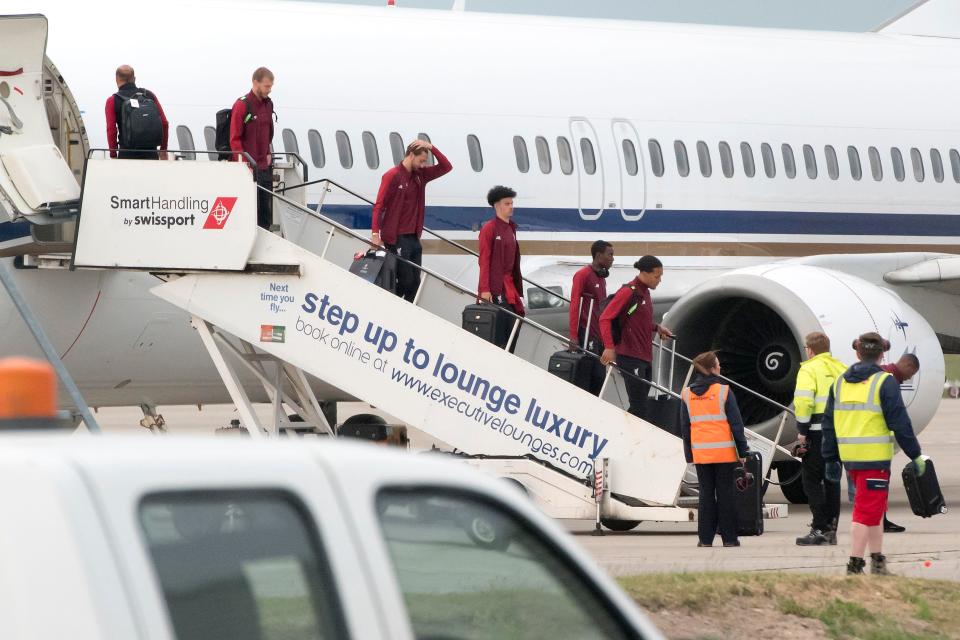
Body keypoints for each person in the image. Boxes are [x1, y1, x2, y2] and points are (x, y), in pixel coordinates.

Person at [822, 332, 925, 575]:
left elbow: (829, 424)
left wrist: (830, 458)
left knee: (875, 511)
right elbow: (900, 423)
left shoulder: (839, 383)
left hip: (850, 460)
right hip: (873, 460)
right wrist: (915, 454)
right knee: (864, 514)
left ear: (857, 352)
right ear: (882, 354)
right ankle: (855, 565)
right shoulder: (884, 382)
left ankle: (878, 562)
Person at [680, 351, 749, 548]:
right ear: (711, 369)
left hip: (701, 454)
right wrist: (743, 452)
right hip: (724, 453)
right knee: (726, 494)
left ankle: (704, 539)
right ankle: (729, 539)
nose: (720, 368)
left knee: (706, 495)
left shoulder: (686, 394)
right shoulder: (724, 391)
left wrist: (689, 455)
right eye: (717, 365)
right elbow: (736, 425)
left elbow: (685, 428)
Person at [372, 140, 453, 302]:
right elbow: (379, 206)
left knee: (415, 282)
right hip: (397, 237)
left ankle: (405, 310)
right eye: (421, 160)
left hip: (413, 237)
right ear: (410, 155)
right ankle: (392, 305)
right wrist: (375, 233)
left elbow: (446, 167)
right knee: (405, 280)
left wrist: (432, 148)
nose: (423, 165)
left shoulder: (420, 176)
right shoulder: (392, 175)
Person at [599, 255, 673, 420]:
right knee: (640, 407)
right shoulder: (628, 292)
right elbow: (605, 318)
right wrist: (609, 347)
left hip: (644, 357)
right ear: (644, 273)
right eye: (656, 276)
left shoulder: (645, 293)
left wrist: (657, 327)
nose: (659, 280)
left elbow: (638, 320)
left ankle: (624, 435)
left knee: (639, 405)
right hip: (630, 356)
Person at [793, 332, 847, 546]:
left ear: (810, 350)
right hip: (840, 432)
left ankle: (819, 527)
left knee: (811, 480)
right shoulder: (841, 368)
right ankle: (831, 529)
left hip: (817, 431)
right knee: (832, 480)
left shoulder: (808, 369)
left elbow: (804, 402)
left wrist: (802, 432)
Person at [878, 352, 920, 534]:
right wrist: (915, 454)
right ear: (908, 366)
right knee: (877, 486)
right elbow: (900, 422)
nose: (909, 377)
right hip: (875, 445)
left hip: (853, 445)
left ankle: (878, 521)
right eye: (912, 374)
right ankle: (879, 522)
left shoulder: (875, 374)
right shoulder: (889, 380)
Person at [229, 67, 275, 230]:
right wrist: (245, 165)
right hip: (249, 169)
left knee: (265, 215)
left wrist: (269, 153)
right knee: (250, 214)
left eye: (270, 87)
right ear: (255, 82)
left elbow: (268, 132)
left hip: (264, 168)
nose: (269, 90)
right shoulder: (242, 105)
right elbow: (235, 140)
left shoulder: (268, 105)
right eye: (266, 86)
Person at [568, 240, 614, 395]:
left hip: (599, 335)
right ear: (599, 255)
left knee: (599, 380)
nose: (612, 259)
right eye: (610, 255)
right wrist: (573, 336)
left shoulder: (601, 278)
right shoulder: (583, 275)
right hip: (586, 333)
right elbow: (574, 305)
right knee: (591, 376)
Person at [478, 186, 524, 325]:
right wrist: (485, 290)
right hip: (495, 287)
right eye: (507, 204)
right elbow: (484, 261)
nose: (511, 207)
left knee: (514, 322)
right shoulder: (489, 228)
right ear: (497, 206)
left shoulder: (511, 228)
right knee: (500, 325)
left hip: (509, 285)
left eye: (512, 203)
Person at [105, 65, 168, 160]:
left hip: (126, 155)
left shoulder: (112, 100)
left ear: (116, 79)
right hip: (151, 155)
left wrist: (113, 154)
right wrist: (163, 150)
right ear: (134, 79)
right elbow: (164, 123)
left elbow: (111, 130)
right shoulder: (149, 95)